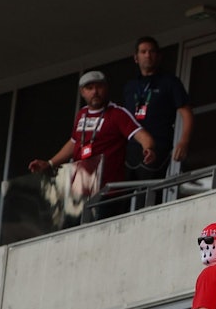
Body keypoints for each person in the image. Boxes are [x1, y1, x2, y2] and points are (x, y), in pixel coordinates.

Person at [28, 71, 155, 213]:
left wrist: (148, 148)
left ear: (106, 88)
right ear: (82, 92)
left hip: (107, 194)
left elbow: (142, 135)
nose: (95, 92)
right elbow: (73, 143)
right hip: (79, 193)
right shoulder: (82, 114)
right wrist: (50, 163)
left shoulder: (117, 113)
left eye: (99, 87)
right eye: (89, 88)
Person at [121, 36, 193, 180]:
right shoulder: (130, 86)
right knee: (122, 195)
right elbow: (123, 120)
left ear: (158, 56)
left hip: (158, 144)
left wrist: (184, 141)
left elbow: (187, 114)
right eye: (143, 52)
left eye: (152, 51)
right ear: (136, 58)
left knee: (148, 193)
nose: (148, 55)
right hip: (131, 147)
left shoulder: (169, 82)